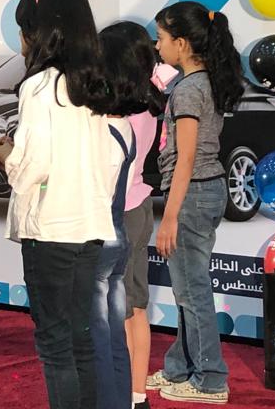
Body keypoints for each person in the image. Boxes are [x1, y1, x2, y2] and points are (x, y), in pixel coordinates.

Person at [0, 0, 119, 409]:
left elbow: (32, 167)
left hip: (50, 231)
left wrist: (6, 156)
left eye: (24, 29)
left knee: (55, 345)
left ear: (39, 33)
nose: (21, 40)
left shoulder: (40, 86)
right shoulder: (93, 84)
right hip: (89, 226)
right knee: (79, 340)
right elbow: (109, 161)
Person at [146, 2, 244, 406]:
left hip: (193, 193)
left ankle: (210, 380)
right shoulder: (202, 82)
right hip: (206, 189)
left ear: (182, 43)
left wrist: (169, 216)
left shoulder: (189, 89)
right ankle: (180, 367)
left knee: (192, 291)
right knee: (189, 287)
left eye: (161, 38)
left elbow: (185, 158)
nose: (157, 46)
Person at [99, 22, 175, 409]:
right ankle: (137, 394)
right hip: (139, 205)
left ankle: (126, 394)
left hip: (121, 209)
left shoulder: (122, 109)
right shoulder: (149, 97)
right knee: (137, 309)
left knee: (122, 311)